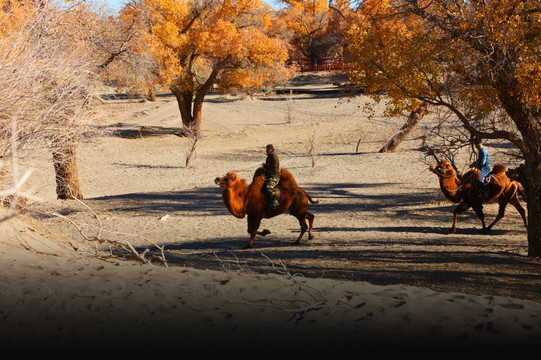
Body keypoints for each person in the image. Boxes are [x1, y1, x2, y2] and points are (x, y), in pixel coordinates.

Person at [263, 144, 280, 208]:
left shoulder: (273, 156)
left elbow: (274, 166)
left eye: (267, 149)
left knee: (269, 188)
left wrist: (266, 166)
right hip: (269, 175)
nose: (266, 150)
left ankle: (275, 201)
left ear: (270, 149)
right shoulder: (269, 156)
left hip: (274, 176)